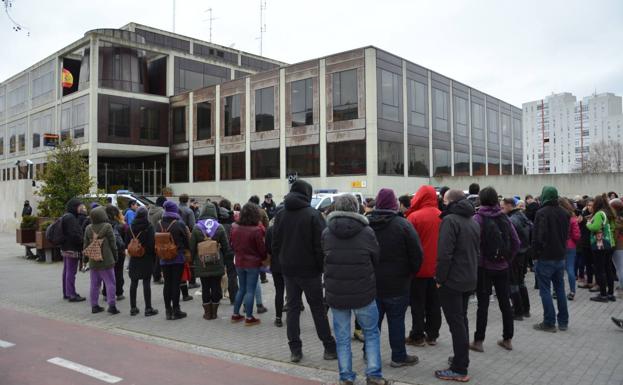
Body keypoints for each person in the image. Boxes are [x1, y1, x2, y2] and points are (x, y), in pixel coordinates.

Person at [323, 194, 391, 385]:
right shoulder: (367, 232)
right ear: (356, 208)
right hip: (364, 292)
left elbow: (324, 258)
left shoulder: (327, 232)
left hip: (336, 293)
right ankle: (374, 375)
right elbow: (375, 258)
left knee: (342, 337)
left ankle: (345, 377)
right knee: (371, 333)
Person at [272, 180, 337, 363]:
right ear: (307, 194)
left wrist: (282, 261)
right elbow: (322, 245)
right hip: (310, 271)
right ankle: (329, 348)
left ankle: (295, 350)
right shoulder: (313, 215)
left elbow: (275, 244)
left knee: (292, 309)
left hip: (289, 270)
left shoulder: (280, 214)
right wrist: (320, 267)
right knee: (317, 309)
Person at [368, 188, 423, 368]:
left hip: (372, 283)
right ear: (394, 204)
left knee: (372, 322)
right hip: (398, 284)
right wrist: (410, 273)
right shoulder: (403, 225)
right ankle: (398, 357)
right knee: (396, 321)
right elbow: (417, 255)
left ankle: (369, 354)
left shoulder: (366, 224)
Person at [434, 189, 480, 382]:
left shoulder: (450, 220)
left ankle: (460, 368)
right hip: (468, 277)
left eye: (444, 200)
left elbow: (444, 254)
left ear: (450, 202)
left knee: (456, 324)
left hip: (452, 280)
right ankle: (461, 358)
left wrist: (439, 279)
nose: (442, 203)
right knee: (462, 321)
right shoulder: (472, 220)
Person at [471, 187, 520, 352]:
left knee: (482, 304)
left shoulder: (478, 218)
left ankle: (478, 341)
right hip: (502, 267)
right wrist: (508, 259)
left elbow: (473, 244)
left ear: (481, 199)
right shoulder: (504, 217)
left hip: (484, 267)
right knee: (505, 302)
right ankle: (508, 339)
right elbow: (516, 242)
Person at [405, 185, 442, 347]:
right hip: (437, 269)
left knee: (417, 304)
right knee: (434, 304)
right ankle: (432, 335)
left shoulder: (413, 217)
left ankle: (417, 335)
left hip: (418, 269)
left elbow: (407, 245)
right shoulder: (443, 216)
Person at [532, 186, 570, 332]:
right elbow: (565, 236)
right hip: (560, 256)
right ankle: (563, 322)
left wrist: (535, 255)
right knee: (560, 289)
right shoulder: (564, 213)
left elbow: (538, 237)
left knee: (545, 291)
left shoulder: (541, 213)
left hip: (545, 257)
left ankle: (549, 322)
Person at [190, 202, 233, 321]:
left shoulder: (196, 227)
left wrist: (193, 261)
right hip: (217, 262)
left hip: (201, 262)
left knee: (205, 287)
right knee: (215, 287)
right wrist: (226, 262)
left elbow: (192, 247)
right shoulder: (219, 227)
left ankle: (207, 314)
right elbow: (226, 247)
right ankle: (214, 313)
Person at [230, 203, 266, 326]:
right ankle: (249, 317)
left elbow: (232, 244)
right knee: (250, 290)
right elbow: (261, 249)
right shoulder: (256, 230)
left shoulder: (234, 227)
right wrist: (264, 258)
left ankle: (235, 314)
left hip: (239, 261)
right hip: (252, 263)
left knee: (242, 289)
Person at [83, 206, 119, 314]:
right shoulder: (107, 226)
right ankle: (111, 306)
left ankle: (94, 306)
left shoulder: (88, 228)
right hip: (107, 260)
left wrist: (85, 260)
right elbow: (113, 244)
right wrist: (115, 256)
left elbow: (85, 245)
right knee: (110, 283)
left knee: (94, 284)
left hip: (93, 260)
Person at [501, 198, 532, 320]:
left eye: (502, 206)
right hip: (523, 254)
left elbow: (510, 240)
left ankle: (518, 311)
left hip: (515, 255)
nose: (500, 209)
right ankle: (526, 309)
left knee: (513, 283)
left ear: (509, 205)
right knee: (520, 281)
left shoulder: (511, 220)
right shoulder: (522, 216)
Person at [124, 207, 159, 317]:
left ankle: (133, 308)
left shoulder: (130, 227)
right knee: (146, 282)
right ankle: (148, 308)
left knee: (133, 283)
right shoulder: (149, 227)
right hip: (146, 257)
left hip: (134, 258)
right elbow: (152, 244)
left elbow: (126, 243)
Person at [160, 200, 190, 320]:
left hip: (163, 258)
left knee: (167, 284)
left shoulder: (159, 224)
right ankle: (176, 310)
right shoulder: (179, 224)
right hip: (177, 258)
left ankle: (168, 311)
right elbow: (187, 241)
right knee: (175, 284)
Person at [587, 194, 616, 302]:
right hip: (609, 244)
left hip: (600, 245)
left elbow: (595, 227)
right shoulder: (607, 213)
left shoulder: (599, 213)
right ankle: (610, 294)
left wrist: (588, 224)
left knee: (600, 270)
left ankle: (603, 294)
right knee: (608, 269)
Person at [61, 198, 86, 302]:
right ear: (75, 207)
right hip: (71, 249)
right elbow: (75, 234)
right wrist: (82, 242)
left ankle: (66, 292)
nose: (83, 208)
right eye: (80, 206)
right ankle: (71, 294)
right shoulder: (71, 218)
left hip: (65, 247)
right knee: (71, 272)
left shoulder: (66, 216)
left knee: (67, 271)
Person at [104, 205, 127, 301]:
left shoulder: (103, 225)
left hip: (107, 251)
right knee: (119, 271)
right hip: (119, 251)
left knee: (107, 272)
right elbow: (125, 240)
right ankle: (119, 292)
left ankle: (106, 293)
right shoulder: (122, 225)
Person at [265, 213, 285, 327]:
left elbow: (267, 248)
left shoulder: (270, 230)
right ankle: (293, 317)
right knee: (292, 293)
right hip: (289, 264)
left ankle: (278, 318)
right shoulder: (289, 230)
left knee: (279, 291)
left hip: (276, 264)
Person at [560, 198, 581, 300]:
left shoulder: (557, 216)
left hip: (559, 245)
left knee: (558, 269)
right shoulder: (572, 218)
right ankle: (572, 292)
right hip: (571, 245)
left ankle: (556, 291)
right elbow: (577, 235)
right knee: (570, 269)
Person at [218, 199, 238, 302]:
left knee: (217, 274)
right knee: (232, 274)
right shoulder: (233, 222)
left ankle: (217, 296)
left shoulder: (216, 222)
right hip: (231, 251)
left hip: (219, 251)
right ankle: (233, 297)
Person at [577, 198, 596, 290]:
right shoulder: (583, 214)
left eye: (591, 205)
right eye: (588, 205)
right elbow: (579, 225)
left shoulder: (596, 215)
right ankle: (589, 282)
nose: (590, 207)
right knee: (587, 263)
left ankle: (597, 283)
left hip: (594, 242)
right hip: (585, 242)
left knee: (595, 263)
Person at [148, 196, 166, 285]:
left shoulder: (149, 211)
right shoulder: (162, 212)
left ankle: (154, 275)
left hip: (150, 235)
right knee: (159, 257)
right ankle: (157, 276)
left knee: (153, 257)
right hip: (158, 236)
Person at [610, 198, 623, 291]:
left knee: (619, 266)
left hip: (619, 244)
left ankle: (622, 286)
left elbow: (616, 232)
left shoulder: (616, 219)